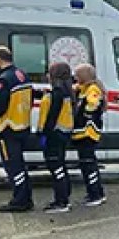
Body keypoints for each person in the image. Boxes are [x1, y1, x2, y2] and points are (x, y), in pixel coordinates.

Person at [0, 46, 35, 212]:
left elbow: (1, 106)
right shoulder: (22, 75)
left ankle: (19, 201)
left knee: (13, 166)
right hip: (22, 126)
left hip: (7, 128)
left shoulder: (3, 80)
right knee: (19, 164)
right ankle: (26, 197)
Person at [37, 61, 75, 213]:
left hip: (54, 135)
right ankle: (64, 197)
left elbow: (51, 118)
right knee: (61, 167)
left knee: (56, 168)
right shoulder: (67, 93)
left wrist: (43, 134)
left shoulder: (56, 94)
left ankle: (61, 202)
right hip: (63, 134)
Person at [72, 62, 107, 207]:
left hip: (89, 132)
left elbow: (94, 104)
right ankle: (95, 192)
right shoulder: (83, 88)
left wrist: (86, 114)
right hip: (81, 133)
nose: (75, 77)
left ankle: (96, 195)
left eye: (77, 74)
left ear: (84, 76)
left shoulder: (93, 89)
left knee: (89, 164)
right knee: (85, 163)